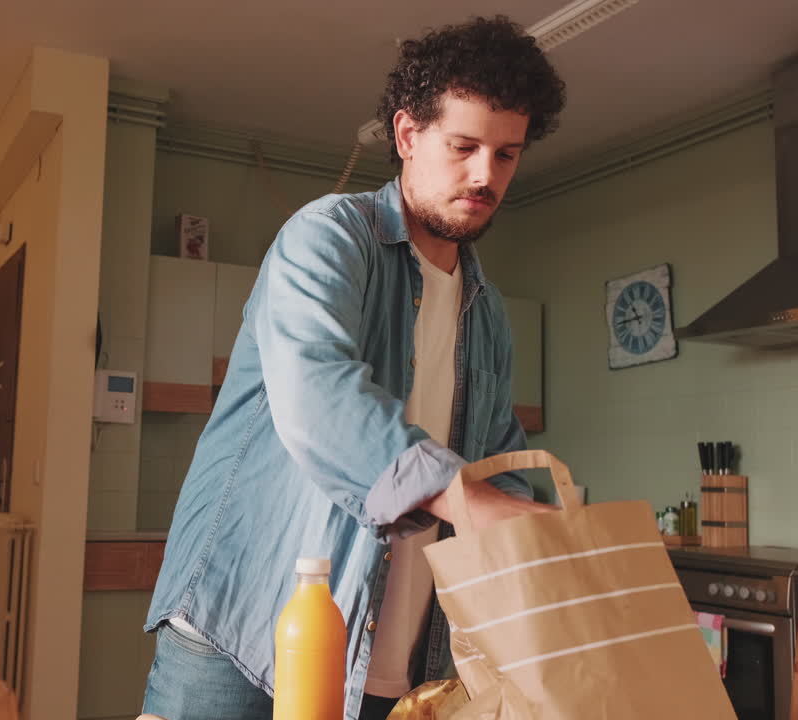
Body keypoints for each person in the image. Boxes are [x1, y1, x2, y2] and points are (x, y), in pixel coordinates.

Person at [142, 15, 567, 720]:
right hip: (240, 632)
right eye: (464, 146)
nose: (485, 174)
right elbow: (319, 397)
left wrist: (546, 529)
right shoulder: (329, 238)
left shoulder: (488, 313)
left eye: (506, 155)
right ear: (407, 135)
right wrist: (467, 498)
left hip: (388, 663)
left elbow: (497, 463)